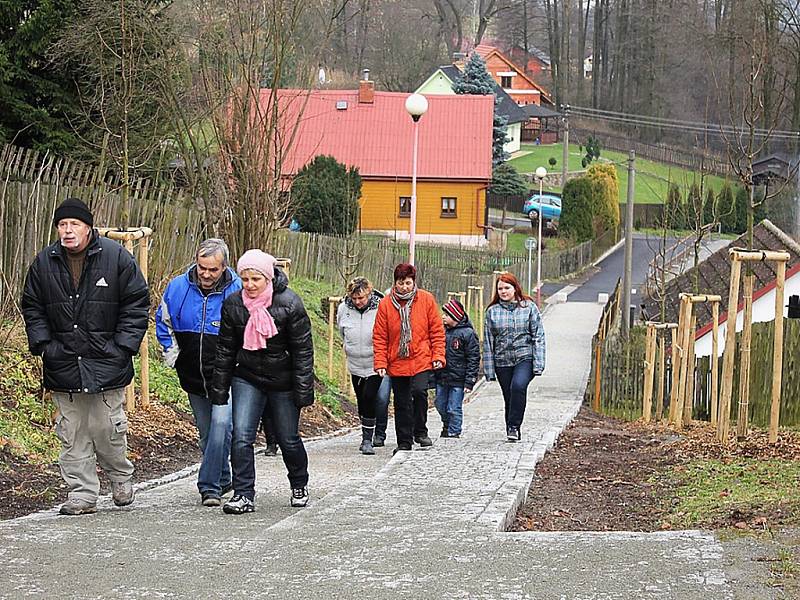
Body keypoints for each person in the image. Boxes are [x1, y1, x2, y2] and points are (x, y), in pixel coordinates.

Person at [21, 197, 149, 515]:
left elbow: (136, 303)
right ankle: (82, 492)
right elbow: (33, 307)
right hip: (63, 361)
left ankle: (120, 478)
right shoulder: (44, 263)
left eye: (74, 224)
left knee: (106, 428)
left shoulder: (116, 257)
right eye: (62, 225)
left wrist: (123, 347)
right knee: (72, 432)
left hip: (107, 360)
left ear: (88, 227)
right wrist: (44, 345)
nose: (67, 231)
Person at [209, 250, 313, 514]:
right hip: (248, 376)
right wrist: (219, 389)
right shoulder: (234, 305)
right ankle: (244, 494)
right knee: (242, 436)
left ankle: (298, 484)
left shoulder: (290, 304)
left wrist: (303, 390)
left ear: (268, 278)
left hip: (283, 380)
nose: (250, 285)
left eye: (256, 279)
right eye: (245, 279)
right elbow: (225, 349)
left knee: (288, 438)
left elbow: (303, 350)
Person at [155, 238, 241, 507]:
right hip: (192, 373)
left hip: (227, 374)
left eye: (213, 270)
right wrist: (172, 353)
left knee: (222, 425)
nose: (206, 274)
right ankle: (224, 477)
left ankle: (209, 486)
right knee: (207, 433)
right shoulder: (178, 287)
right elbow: (163, 320)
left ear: (224, 267)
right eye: (202, 267)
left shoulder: (238, 290)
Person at [373, 263, 445, 454]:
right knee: (401, 402)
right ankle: (404, 441)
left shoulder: (426, 300)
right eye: (400, 283)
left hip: (421, 357)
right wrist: (380, 362)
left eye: (408, 283)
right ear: (395, 283)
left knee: (420, 392)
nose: (404, 287)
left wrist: (438, 355)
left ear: (414, 282)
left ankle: (420, 431)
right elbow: (380, 336)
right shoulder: (386, 304)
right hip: (397, 360)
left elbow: (436, 331)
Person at [483, 273, 546, 442]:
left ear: (515, 288)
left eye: (507, 288)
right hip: (502, 360)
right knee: (509, 395)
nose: (503, 291)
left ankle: (514, 426)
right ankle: (511, 429)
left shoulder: (529, 308)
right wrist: (489, 370)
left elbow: (538, 336)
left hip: (524, 357)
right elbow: (489, 342)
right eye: (500, 288)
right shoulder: (492, 312)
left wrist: (538, 364)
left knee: (518, 386)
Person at [337, 276, 384, 455]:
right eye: (354, 298)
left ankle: (367, 440)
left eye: (361, 298)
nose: (357, 302)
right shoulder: (343, 309)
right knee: (361, 399)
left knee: (369, 396)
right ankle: (366, 431)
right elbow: (341, 331)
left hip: (375, 362)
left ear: (369, 294)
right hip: (355, 362)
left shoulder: (380, 308)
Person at [435, 299, 480, 438]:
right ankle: (446, 424)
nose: (443, 317)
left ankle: (454, 431)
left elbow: (473, 358)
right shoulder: (441, 332)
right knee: (440, 404)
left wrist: (470, 380)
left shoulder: (467, 334)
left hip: (458, 379)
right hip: (442, 377)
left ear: (455, 317)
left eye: (447, 315)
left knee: (454, 407)